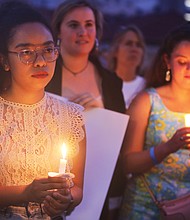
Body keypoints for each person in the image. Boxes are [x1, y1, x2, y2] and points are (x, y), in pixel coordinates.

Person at [0, 1, 86, 219]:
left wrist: (66, 200)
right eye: (27, 52)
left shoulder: (71, 116)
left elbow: (78, 189)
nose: (40, 62)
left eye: (48, 50)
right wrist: (25, 193)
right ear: (5, 60)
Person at [46, 1, 126, 219]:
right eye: (73, 25)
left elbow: (121, 140)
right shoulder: (43, 75)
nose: (83, 32)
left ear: (97, 31)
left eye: (89, 24)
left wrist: (102, 114)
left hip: (97, 181)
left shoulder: (111, 82)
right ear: (58, 32)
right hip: (50, 180)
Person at [119, 22, 190, 220]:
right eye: (182, 61)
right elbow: (128, 164)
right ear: (168, 61)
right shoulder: (148, 101)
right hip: (145, 208)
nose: (188, 68)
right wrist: (168, 147)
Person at [108, 25, 146, 109]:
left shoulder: (147, 87)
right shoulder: (102, 83)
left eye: (138, 45)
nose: (134, 49)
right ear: (115, 51)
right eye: (129, 44)